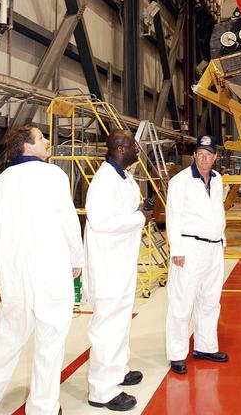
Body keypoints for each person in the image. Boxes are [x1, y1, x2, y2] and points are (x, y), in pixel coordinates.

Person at [0, 125, 83, 415]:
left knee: (7, 339)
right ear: (27, 146)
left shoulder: (0, 182)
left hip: (13, 275)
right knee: (51, 339)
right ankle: (43, 408)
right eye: (41, 138)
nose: (47, 142)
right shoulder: (53, 175)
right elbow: (68, 221)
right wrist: (77, 259)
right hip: (50, 270)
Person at [84, 130, 152, 411]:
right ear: (121, 149)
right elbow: (101, 221)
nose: (138, 149)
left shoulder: (124, 177)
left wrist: (141, 210)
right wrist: (140, 217)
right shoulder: (104, 181)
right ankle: (102, 390)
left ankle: (118, 370)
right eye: (134, 145)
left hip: (122, 263)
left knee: (121, 322)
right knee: (107, 327)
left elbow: (127, 210)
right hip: (107, 267)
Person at [166, 135, 228, 374]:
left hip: (214, 248)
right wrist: (177, 250)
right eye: (200, 154)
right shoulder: (180, 181)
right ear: (194, 155)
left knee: (210, 300)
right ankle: (177, 354)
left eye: (208, 154)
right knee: (182, 303)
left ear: (215, 157)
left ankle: (206, 347)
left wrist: (221, 240)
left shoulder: (217, 179)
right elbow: (173, 216)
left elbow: (217, 211)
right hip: (189, 248)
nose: (204, 158)